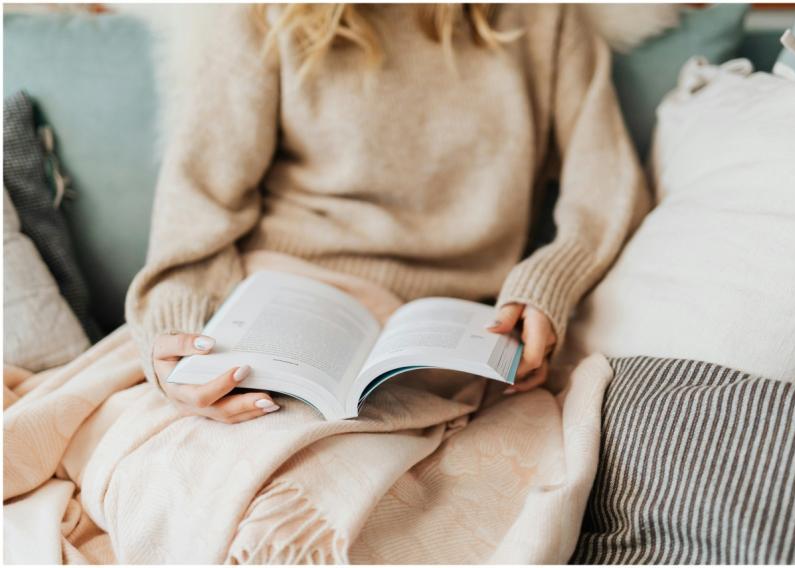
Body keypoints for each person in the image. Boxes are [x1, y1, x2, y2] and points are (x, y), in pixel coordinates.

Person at [125, 3, 649, 423]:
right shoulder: (262, 13)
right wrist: (179, 339)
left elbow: (608, 188)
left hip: (442, 335)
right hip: (281, 302)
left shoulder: (543, 18)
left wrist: (548, 284)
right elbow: (196, 207)